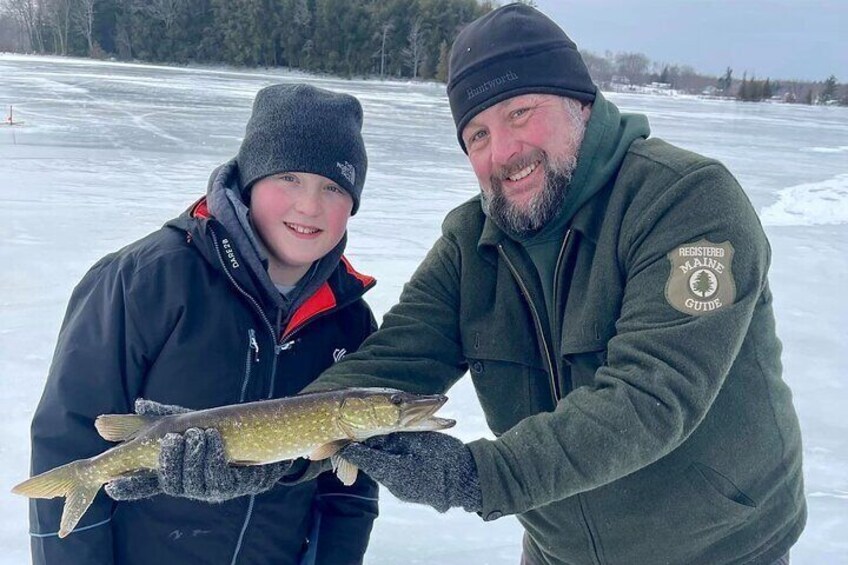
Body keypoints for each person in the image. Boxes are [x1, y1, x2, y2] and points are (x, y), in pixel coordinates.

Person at [112, 4, 807, 564]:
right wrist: (260, 450)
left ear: (581, 104)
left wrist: (479, 477)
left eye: (520, 113)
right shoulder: (472, 244)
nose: (502, 153)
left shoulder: (687, 203)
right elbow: (391, 363)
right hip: (561, 549)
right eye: (476, 134)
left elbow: (652, 396)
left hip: (718, 547)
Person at [27, 83, 380, 565]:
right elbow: (67, 440)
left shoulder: (352, 324)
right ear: (251, 179)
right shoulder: (146, 279)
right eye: (289, 178)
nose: (310, 206)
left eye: (333, 187)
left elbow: (350, 494)